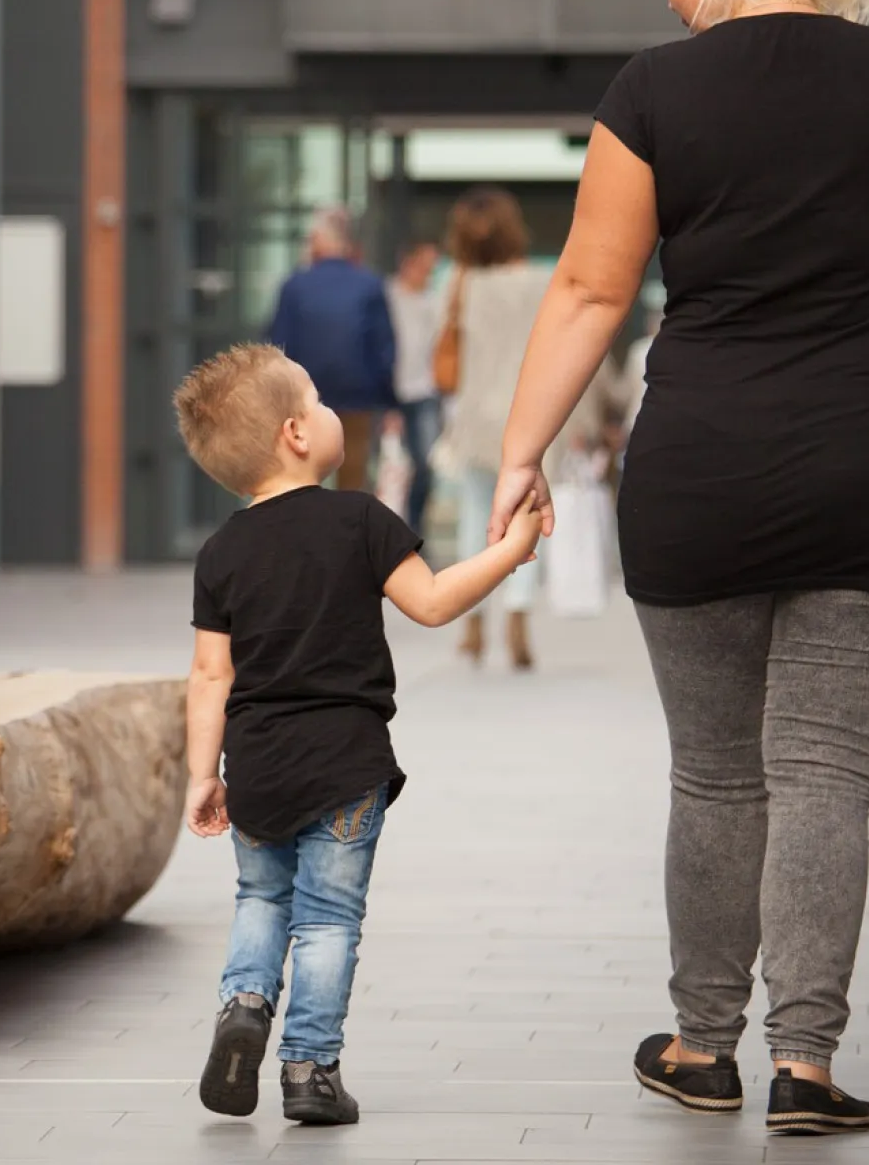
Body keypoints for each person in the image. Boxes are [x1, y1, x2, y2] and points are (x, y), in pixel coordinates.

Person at [488, 0, 869, 1136]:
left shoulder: (656, 91)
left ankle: (701, 1041)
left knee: (718, 775)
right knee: (826, 772)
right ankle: (807, 1063)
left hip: (703, 471)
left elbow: (591, 289)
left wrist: (519, 449)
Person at [174, 343, 542, 1125]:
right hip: (344, 764)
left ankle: (243, 1001)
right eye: (318, 399)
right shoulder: (360, 520)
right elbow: (435, 601)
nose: (333, 409)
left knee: (260, 896)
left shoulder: (221, 552)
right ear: (295, 434)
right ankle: (308, 1068)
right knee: (328, 919)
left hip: (259, 767)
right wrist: (511, 552)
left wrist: (202, 774)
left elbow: (211, 675)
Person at [434, 187, 572, 669]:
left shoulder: (458, 283)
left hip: (474, 417)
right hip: (529, 415)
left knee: (476, 514)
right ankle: (517, 614)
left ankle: (472, 619)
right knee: (525, 518)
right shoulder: (541, 280)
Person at [263, 206, 397, 491]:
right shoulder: (369, 285)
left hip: (303, 399)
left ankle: (309, 533)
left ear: (316, 241)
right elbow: (384, 349)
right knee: (354, 475)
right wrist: (388, 401)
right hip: (358, 397)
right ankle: (350, 533)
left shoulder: (295, 286)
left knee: (303, 475)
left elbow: (278, 344)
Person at [385, 240, 447, 535]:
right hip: (388, 393)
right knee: (387, 465)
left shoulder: (434, 303)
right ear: (406, 262)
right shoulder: (386, 296)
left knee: (424, 466)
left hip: (425, 393)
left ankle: (413, 530)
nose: (428, 272)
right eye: (424, 265)